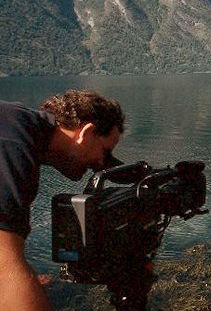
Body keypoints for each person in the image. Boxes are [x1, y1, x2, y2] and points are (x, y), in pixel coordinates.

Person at [0, 89, 125, 311]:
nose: (100, 165)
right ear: (86, 132)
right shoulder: (14, 143)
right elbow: (3, 267)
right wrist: (16, 277)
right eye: (105, 152)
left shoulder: (18, 125)